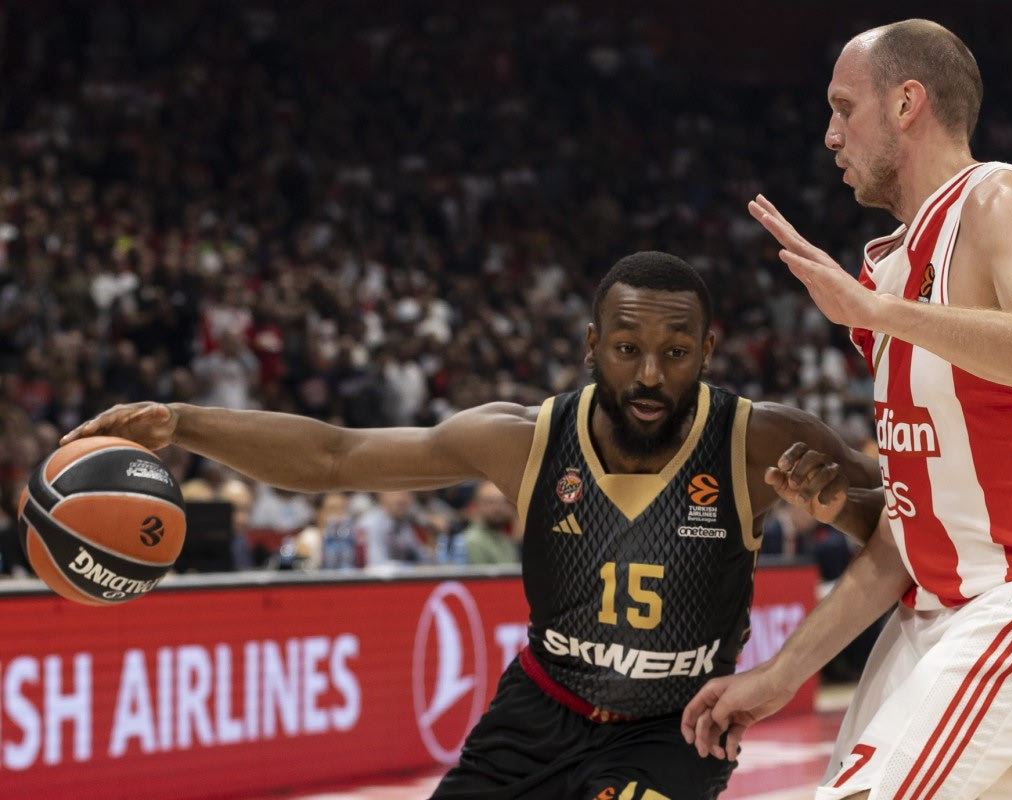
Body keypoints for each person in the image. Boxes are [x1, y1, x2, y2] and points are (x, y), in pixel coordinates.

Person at [64, 251, 883, 800]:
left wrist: (842, 509)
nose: (648, 374)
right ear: (592, 345)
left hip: (673, 730)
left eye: (674, 352)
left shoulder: (760, 439)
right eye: (627, 348)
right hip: (538, 714)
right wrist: (183, 423)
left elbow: (906, 522)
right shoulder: (525, 439)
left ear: (707, 350)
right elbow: (336, 456)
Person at [681, 19, 1012, 800]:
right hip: (943, 601)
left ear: (907, 103)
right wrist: (782, 673)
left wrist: (880, 315)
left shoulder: (1001, 199)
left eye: (845, 108)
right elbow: (906, 536)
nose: (830, 135)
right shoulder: (888, 268)